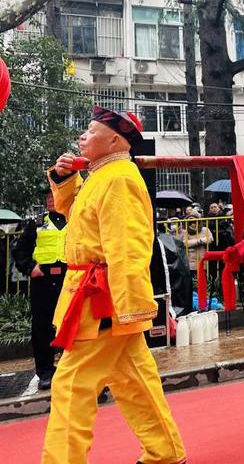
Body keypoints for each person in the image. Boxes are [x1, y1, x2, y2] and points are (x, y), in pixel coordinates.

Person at [41, 106, 185, 464]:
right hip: (101, 295)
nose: (82, 137)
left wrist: (132, 307)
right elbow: (77, 218)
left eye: (90, 131)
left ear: (115, 139)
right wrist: (63, 180)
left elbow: (128, 247)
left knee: (71, 385)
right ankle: (165, 454)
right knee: (135, 383)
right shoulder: (102, 174)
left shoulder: (118, 177)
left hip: (102, 300)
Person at [11, 188, 67, 390]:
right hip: (44, 282)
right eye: (48, 197)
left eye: (54, 196)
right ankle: (45, 372)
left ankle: (77, 370)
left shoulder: (76, 219)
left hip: (70, 281)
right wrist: (29, 268)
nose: (50, 200)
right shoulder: (38, 222)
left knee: (76, 326)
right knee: (42, 328)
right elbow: (18, 249)